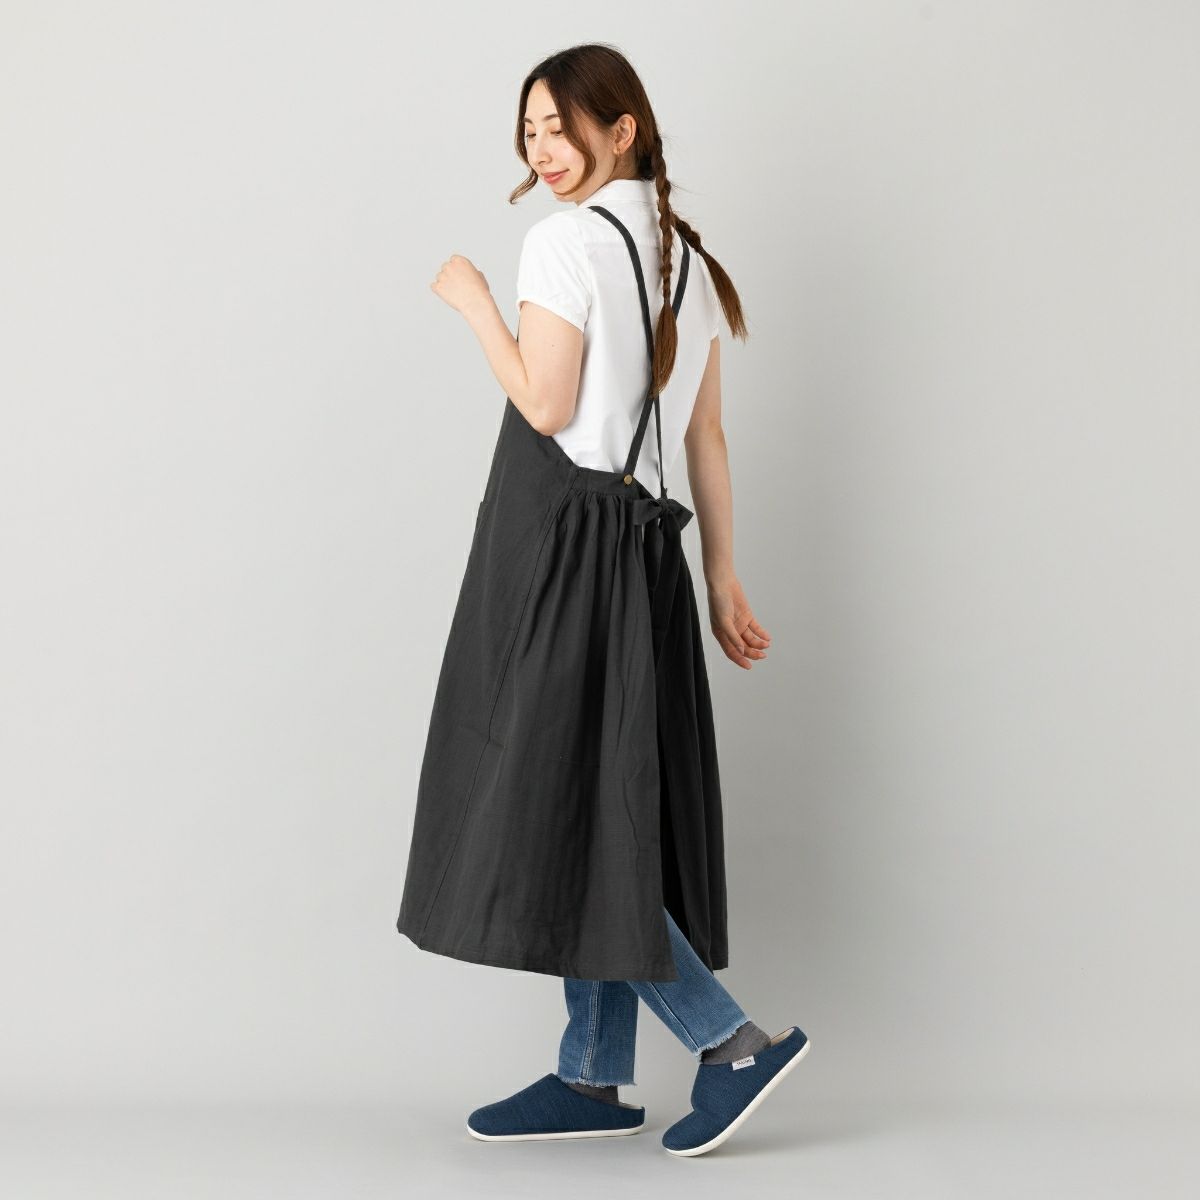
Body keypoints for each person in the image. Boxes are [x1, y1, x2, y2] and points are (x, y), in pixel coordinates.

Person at [400, 43, 809, 1156]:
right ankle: (590, 1076)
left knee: (574, 813)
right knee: (606, 798)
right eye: (528, 131)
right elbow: (704, 438)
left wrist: (475, 305)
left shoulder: (562, 242)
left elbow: (545, 405)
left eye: (560, 126)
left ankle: (732, 1044)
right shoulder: (689, 259)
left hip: (568, 549)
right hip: (647, 553)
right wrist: (720, 577)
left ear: (622, 130)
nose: (541, 150)